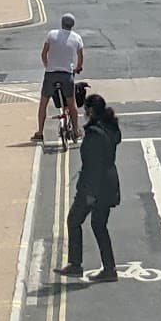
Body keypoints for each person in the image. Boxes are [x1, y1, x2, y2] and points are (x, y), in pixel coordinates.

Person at [60, 93, 121, 282]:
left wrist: (89, 194)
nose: (84, 113)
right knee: (99, 225)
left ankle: (75, 264)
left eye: (86, 110)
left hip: (94, 186)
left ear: (91, 111)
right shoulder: (110, 127)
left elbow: (93, 166)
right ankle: (109, 269)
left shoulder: (95, 134)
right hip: (109, 183)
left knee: (74, 220)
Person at [34, 13, 83, 144]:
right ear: (73, 25)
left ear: (61, 23)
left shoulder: (51, 34)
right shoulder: (77, 38)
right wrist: (78, 68)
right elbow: (80, 58)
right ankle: (76, 131)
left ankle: (40, 132)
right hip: (67, 75)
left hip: (51, 74)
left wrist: (47, 65)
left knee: (43, 103)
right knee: (71, 105)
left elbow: (44, 53)